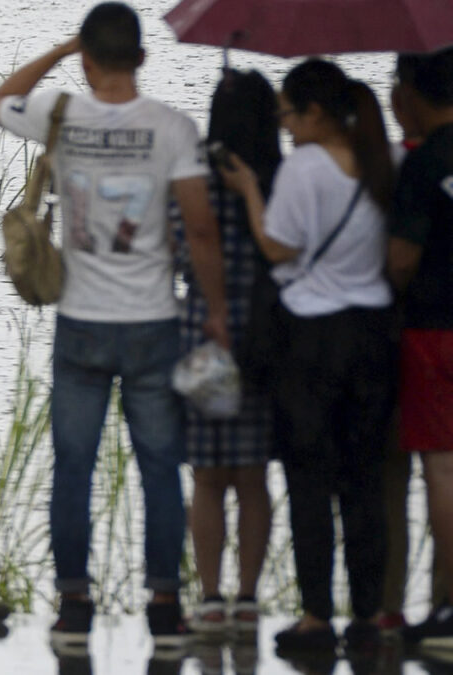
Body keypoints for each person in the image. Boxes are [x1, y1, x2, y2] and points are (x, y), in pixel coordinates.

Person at [0, 2, 230, 647]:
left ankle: (73, 606)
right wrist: (219, 312)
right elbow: (201, 230)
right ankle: (166, 606)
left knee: (73, 465)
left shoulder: (59, 113)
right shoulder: (172, 129)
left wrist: (62, 52)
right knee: (159, 466)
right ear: (143, 58)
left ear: (88, 60)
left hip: (81, 324)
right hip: (154, 322)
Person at [219, 59, 396, 653]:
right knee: (364, 483)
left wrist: (249, 192)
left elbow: (277, 248)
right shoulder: (385, 161)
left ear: (315, 112)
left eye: (290, 114)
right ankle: (368, 616)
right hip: (373, 334)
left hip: (311, 341)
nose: (287, 127)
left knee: (309, 480)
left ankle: (317, 617)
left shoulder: (305, 168)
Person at [174, 69, 280, 636]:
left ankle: (211, 598)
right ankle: (248, 598)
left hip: (200, 328)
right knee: (253, 475)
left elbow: (173, 248)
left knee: (208, 476)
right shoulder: (278, 177)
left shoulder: (194, 177)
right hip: (265, 332)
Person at [386, 46, 453, 647]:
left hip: (434, 328)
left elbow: (401, 260)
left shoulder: (424, 163)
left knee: (441, 466)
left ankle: (449, 607)